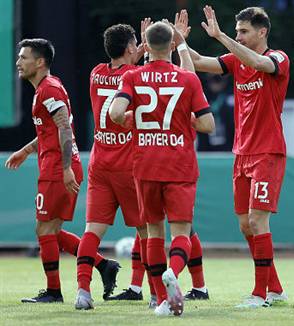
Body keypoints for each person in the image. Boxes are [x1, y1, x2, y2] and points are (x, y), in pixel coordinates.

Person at [181, 6, 289, 308]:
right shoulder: (235, 61)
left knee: (257, 221)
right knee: (245, 225)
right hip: (241, 153)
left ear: (262, 31)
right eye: (237, 30)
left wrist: (221, 36)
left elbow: (257, 61)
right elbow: (199, 63)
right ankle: (276, 288)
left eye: (244, 31)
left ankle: (260, 294)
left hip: (268, 151)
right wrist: (178, 42)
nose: (239, 35)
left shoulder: (278, 58)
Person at [109, 21, 215, 316]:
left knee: (152, 234)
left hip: (145, 165)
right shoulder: (188, 80)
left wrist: (131, 119)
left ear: (146, 43)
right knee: (181, 232)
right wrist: (188, 122)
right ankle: (174, 273)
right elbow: (208, 124)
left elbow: (116, 113)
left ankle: (160, 299)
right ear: (171, 45)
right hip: (179, 165)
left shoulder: (132, 76)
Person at [5, 38, 118, 303]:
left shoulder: (49, 90)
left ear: (40, 62)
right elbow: (52, 131)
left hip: (58, 169)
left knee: (44, 231)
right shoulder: (45, 89)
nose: (18, 62)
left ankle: (54, 292)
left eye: (24, 57)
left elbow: (65, 130)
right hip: (55, 166)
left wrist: (66, 168)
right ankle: (103, 265)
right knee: (50, 231)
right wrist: (26, 150)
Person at [74, 21, 159, 310]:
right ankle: (155, 292)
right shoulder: (135, 76)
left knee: (91, 231)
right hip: (129, 167)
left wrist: (138, 52)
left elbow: (123, 73)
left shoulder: (96, 73)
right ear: (130, 48)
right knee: (148, 231)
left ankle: (83, 292)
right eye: (135, 43)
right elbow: (144, 86)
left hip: (99, 164)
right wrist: (150, 55)